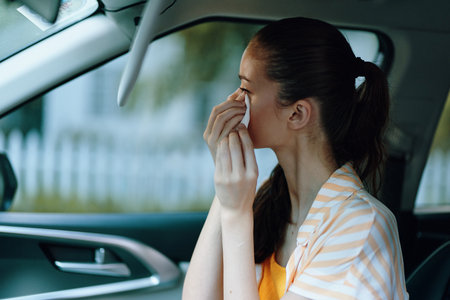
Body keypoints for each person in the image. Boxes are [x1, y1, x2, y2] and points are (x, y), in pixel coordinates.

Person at [182, 17, 408, 300]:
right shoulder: (271, 203)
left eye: (246, 89)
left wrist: (236, 213)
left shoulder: (362, 227)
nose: (232, 101)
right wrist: (226, 191)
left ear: (297, 113)